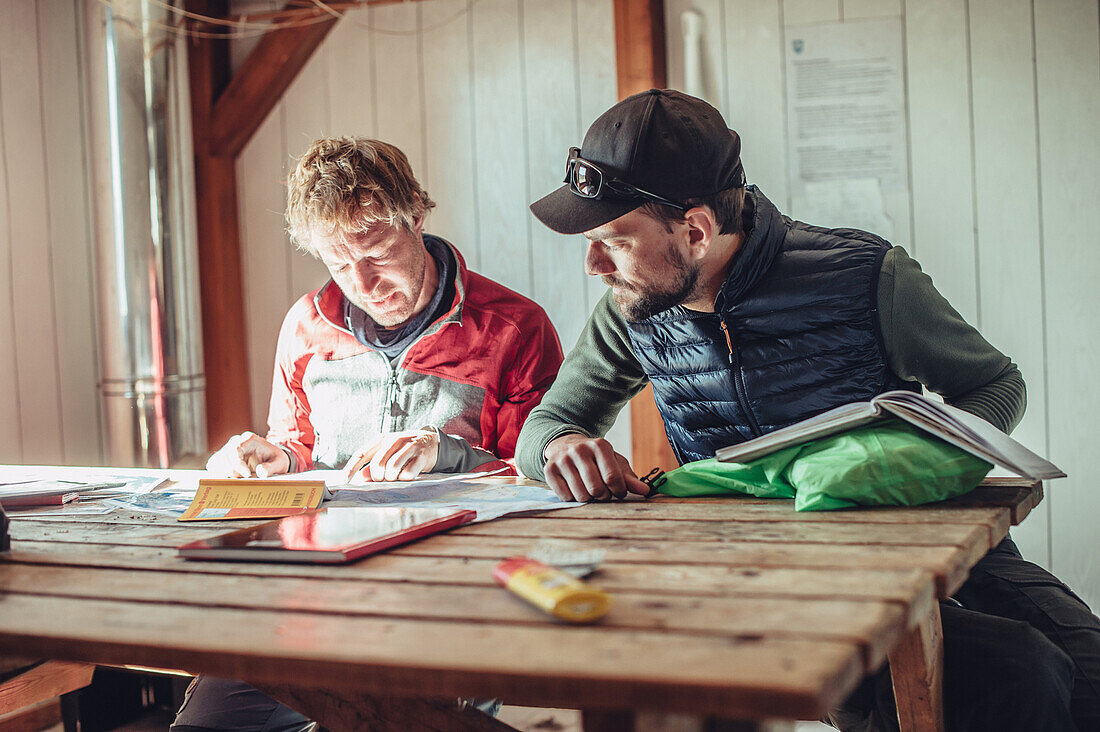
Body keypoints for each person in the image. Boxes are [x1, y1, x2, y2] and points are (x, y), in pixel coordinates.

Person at [517, 89, 1099, 731]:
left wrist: (918, 461)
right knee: (1021, 676)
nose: (593, 265)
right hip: (777, 585)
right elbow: (543, 425)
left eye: (613, 241)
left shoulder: (864, 275)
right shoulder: (632, 310)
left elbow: (995, 384)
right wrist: (559, 446)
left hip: (933, 545)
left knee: (1089, 670)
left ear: (696, 229)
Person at [173, 137, 562, 732]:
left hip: (453, 594)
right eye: (337, 263)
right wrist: (272, 458)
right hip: (314, 586)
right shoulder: (305, 326)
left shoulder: (513, 328)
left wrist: (449, 452)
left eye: (378, 250)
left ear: (416, 215)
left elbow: (541, 478)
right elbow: (300, 447)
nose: (364, 281)